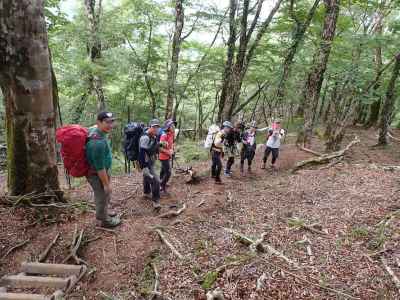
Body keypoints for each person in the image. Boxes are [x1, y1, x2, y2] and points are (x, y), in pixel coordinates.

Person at [86, 111, 121, 228]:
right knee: (102, 195)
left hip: (102, 171)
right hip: (96, 173)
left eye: (111, 122)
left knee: (105, 195)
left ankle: (104, 211)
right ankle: (104, 220)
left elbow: (91, 128)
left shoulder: (97, 129)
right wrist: (106, 184)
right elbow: (99, 168)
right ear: (99, 122)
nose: (110, 125)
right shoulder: (97, 143)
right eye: (107, 122)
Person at [139, 119, 161, 209]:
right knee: (156, 180)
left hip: (150, 161)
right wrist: (144, 167)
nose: (156, 129)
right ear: (150, 126)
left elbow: (153, 148)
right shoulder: (145, 137)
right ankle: (156, 201)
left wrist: (160, 144)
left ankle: (146, 192)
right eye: (154, 127)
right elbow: (141, 153)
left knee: (146, 176)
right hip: (146, 162)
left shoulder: (153, 136)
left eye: (157, 127)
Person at [159, 119, 176, 194]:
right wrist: (169, 152)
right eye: (171, 125)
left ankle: (160, 182)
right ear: (168, 127)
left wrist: (172, 149)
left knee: (163, 170)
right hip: (163, 157)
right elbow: (160, 148)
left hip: (168, 156)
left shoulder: (172, 134)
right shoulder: (164, 135)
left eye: (173, 125)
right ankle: (162, 185)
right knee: (168, 172)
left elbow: (171, 144)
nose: (173, 126)